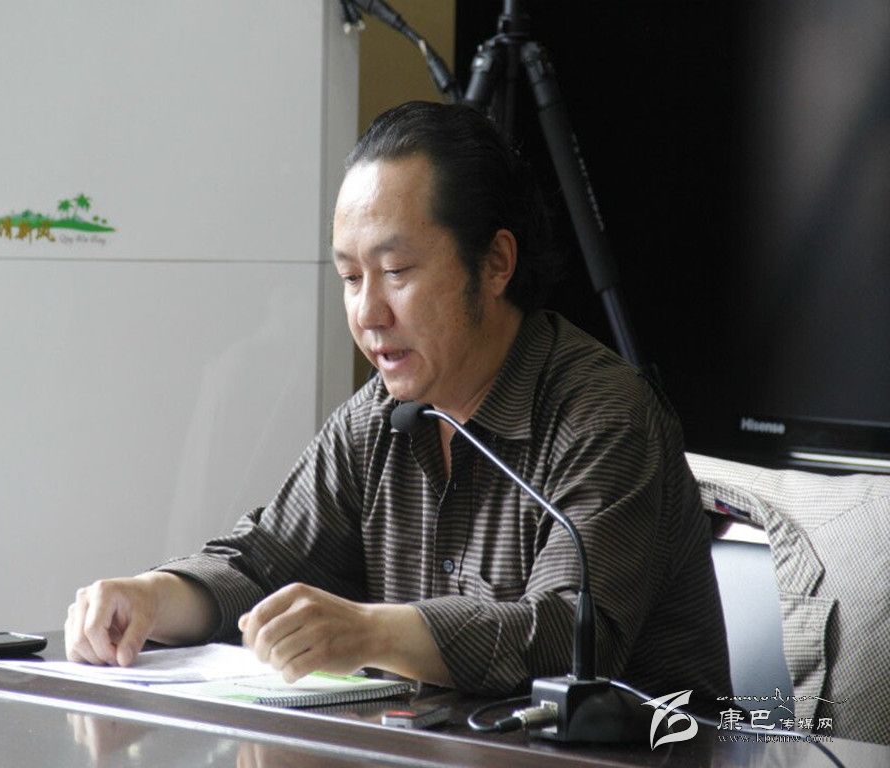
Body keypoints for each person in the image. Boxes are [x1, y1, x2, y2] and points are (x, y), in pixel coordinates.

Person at [65, 101, 731, 708]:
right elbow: (263, 560)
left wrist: (371, 632)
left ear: (495, 262)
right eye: (351, 277)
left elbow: (566, 635)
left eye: (395, 272)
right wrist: (152, 597)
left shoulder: (606, 415)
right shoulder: (379, 419)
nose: (368, 313)